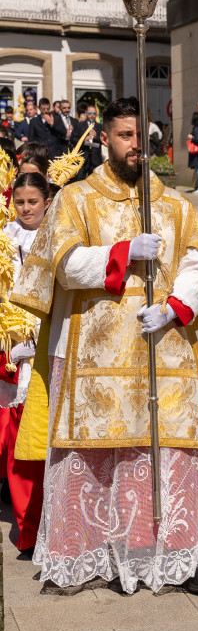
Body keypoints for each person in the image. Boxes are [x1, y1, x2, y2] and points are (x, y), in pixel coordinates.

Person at [11, 96, 198, 596]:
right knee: (98, 453)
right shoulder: (75, 199)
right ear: (104, 139)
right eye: (125, 136)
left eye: (144, 136)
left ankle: (186, 556)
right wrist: (120, 253)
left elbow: (197, 262)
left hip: (165, 344)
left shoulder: (175, 204)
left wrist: (178, 306)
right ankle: (88, 552)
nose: (137, 145)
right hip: (96, 346)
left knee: (176, 448)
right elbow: (63, 265)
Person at [2, 172, 51, 554]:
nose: (25, 209)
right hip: (10, 349)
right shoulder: (5, 238)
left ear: (47, 201)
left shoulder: (58, 234)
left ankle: (51, 523)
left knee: (43, 439)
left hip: (46, 348)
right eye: (20, 202)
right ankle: (28, 528)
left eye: (32, 201)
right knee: (17, 444)